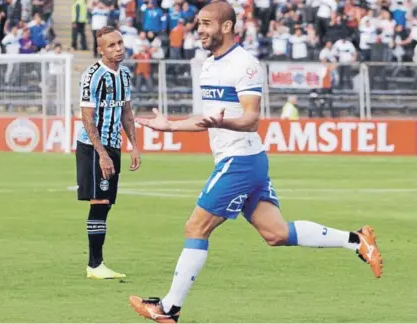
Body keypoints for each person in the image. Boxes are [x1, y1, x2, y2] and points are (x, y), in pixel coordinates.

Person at [128, 2, 383, 322]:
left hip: (240, 160)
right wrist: (170, 126)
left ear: (226, 27)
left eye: (206, 23)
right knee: (275, 233)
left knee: (196, 226)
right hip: (246, 160)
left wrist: (224, 123)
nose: (200, 29)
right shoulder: (207, 65)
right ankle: (356, 240)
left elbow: (249, 119)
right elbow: (208, 119)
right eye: (198, 23)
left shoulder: (245, 64)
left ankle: (169, 309)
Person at [76, 26, 141, 280]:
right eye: (111, 45)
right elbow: (87, 117)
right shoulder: (92, 76)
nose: (118, 48)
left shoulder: (124, 75)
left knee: (106, 204)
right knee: (99, 202)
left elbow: (126, 112)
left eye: (120, 43)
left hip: (113, 146)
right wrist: (101, 153)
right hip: (93, 147)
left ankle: (96, 264)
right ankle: (95, 265)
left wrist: (134, 146)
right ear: (100, 50)